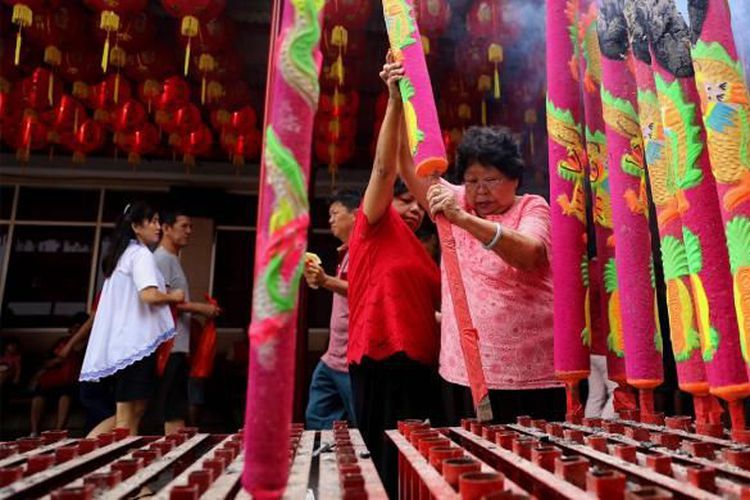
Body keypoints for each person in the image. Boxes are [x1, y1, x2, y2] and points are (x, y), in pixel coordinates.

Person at [392, 66, 564, 424]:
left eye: (490, 180)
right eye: (471, 180)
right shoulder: (455, 200)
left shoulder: (531, 206)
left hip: (532, 374)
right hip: (466, 370)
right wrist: (397, 97)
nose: (479, 191)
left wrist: (465, 220)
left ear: (514, 178)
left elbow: (531, 253)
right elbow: (406, 164)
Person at [346, 54, 441, 496]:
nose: (415, 210)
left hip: (423, 365)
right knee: (383, 470)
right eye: (407, 201)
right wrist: (394, 101)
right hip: (381, 359)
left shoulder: (427, 255)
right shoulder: (374, 224)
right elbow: (387, 167)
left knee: (419, 469)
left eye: (417, 203)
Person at [79, 201, 184, 435]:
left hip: (127, 345)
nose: (158, 227)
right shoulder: (139, 255)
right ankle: (117, 460)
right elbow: (148, 295)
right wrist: (173, 296)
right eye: (153, 221)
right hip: (136, 345)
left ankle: (92, 448)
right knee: (127, 416)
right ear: (136, 226)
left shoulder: (124, 254)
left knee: (133, 410)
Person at [153, 207, 221, 434]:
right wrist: (201, 308)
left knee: (174, 408)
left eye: (191, 226)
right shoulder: (162, 260)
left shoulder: (171, 259)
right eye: (184, 226)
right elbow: (159, 299)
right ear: (165, 228)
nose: (189, 231)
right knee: (171, 409)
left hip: (177, 346)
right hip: (168, 347)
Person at [303, 189, 361, 429]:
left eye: (335, 213)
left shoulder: (363, 249)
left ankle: (361, 465)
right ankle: (331, 463)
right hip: (332, 356)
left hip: (352, 359)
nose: (330, 220)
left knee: (362, 422)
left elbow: (363, 290)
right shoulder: (345, 252)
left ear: (356, 215)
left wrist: (325, 280)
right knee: (317, 418)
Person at [29, 313, 87, 436]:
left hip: (75, 382)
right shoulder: (62, 343)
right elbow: (47, 362)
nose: (76, 330)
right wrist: (57, 360)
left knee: (65, 396)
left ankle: (58, 432)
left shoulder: (89, 345)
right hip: (55, 380)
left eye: (79, 327)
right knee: (39, 396)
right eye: (74, 327)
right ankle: (34, 431)